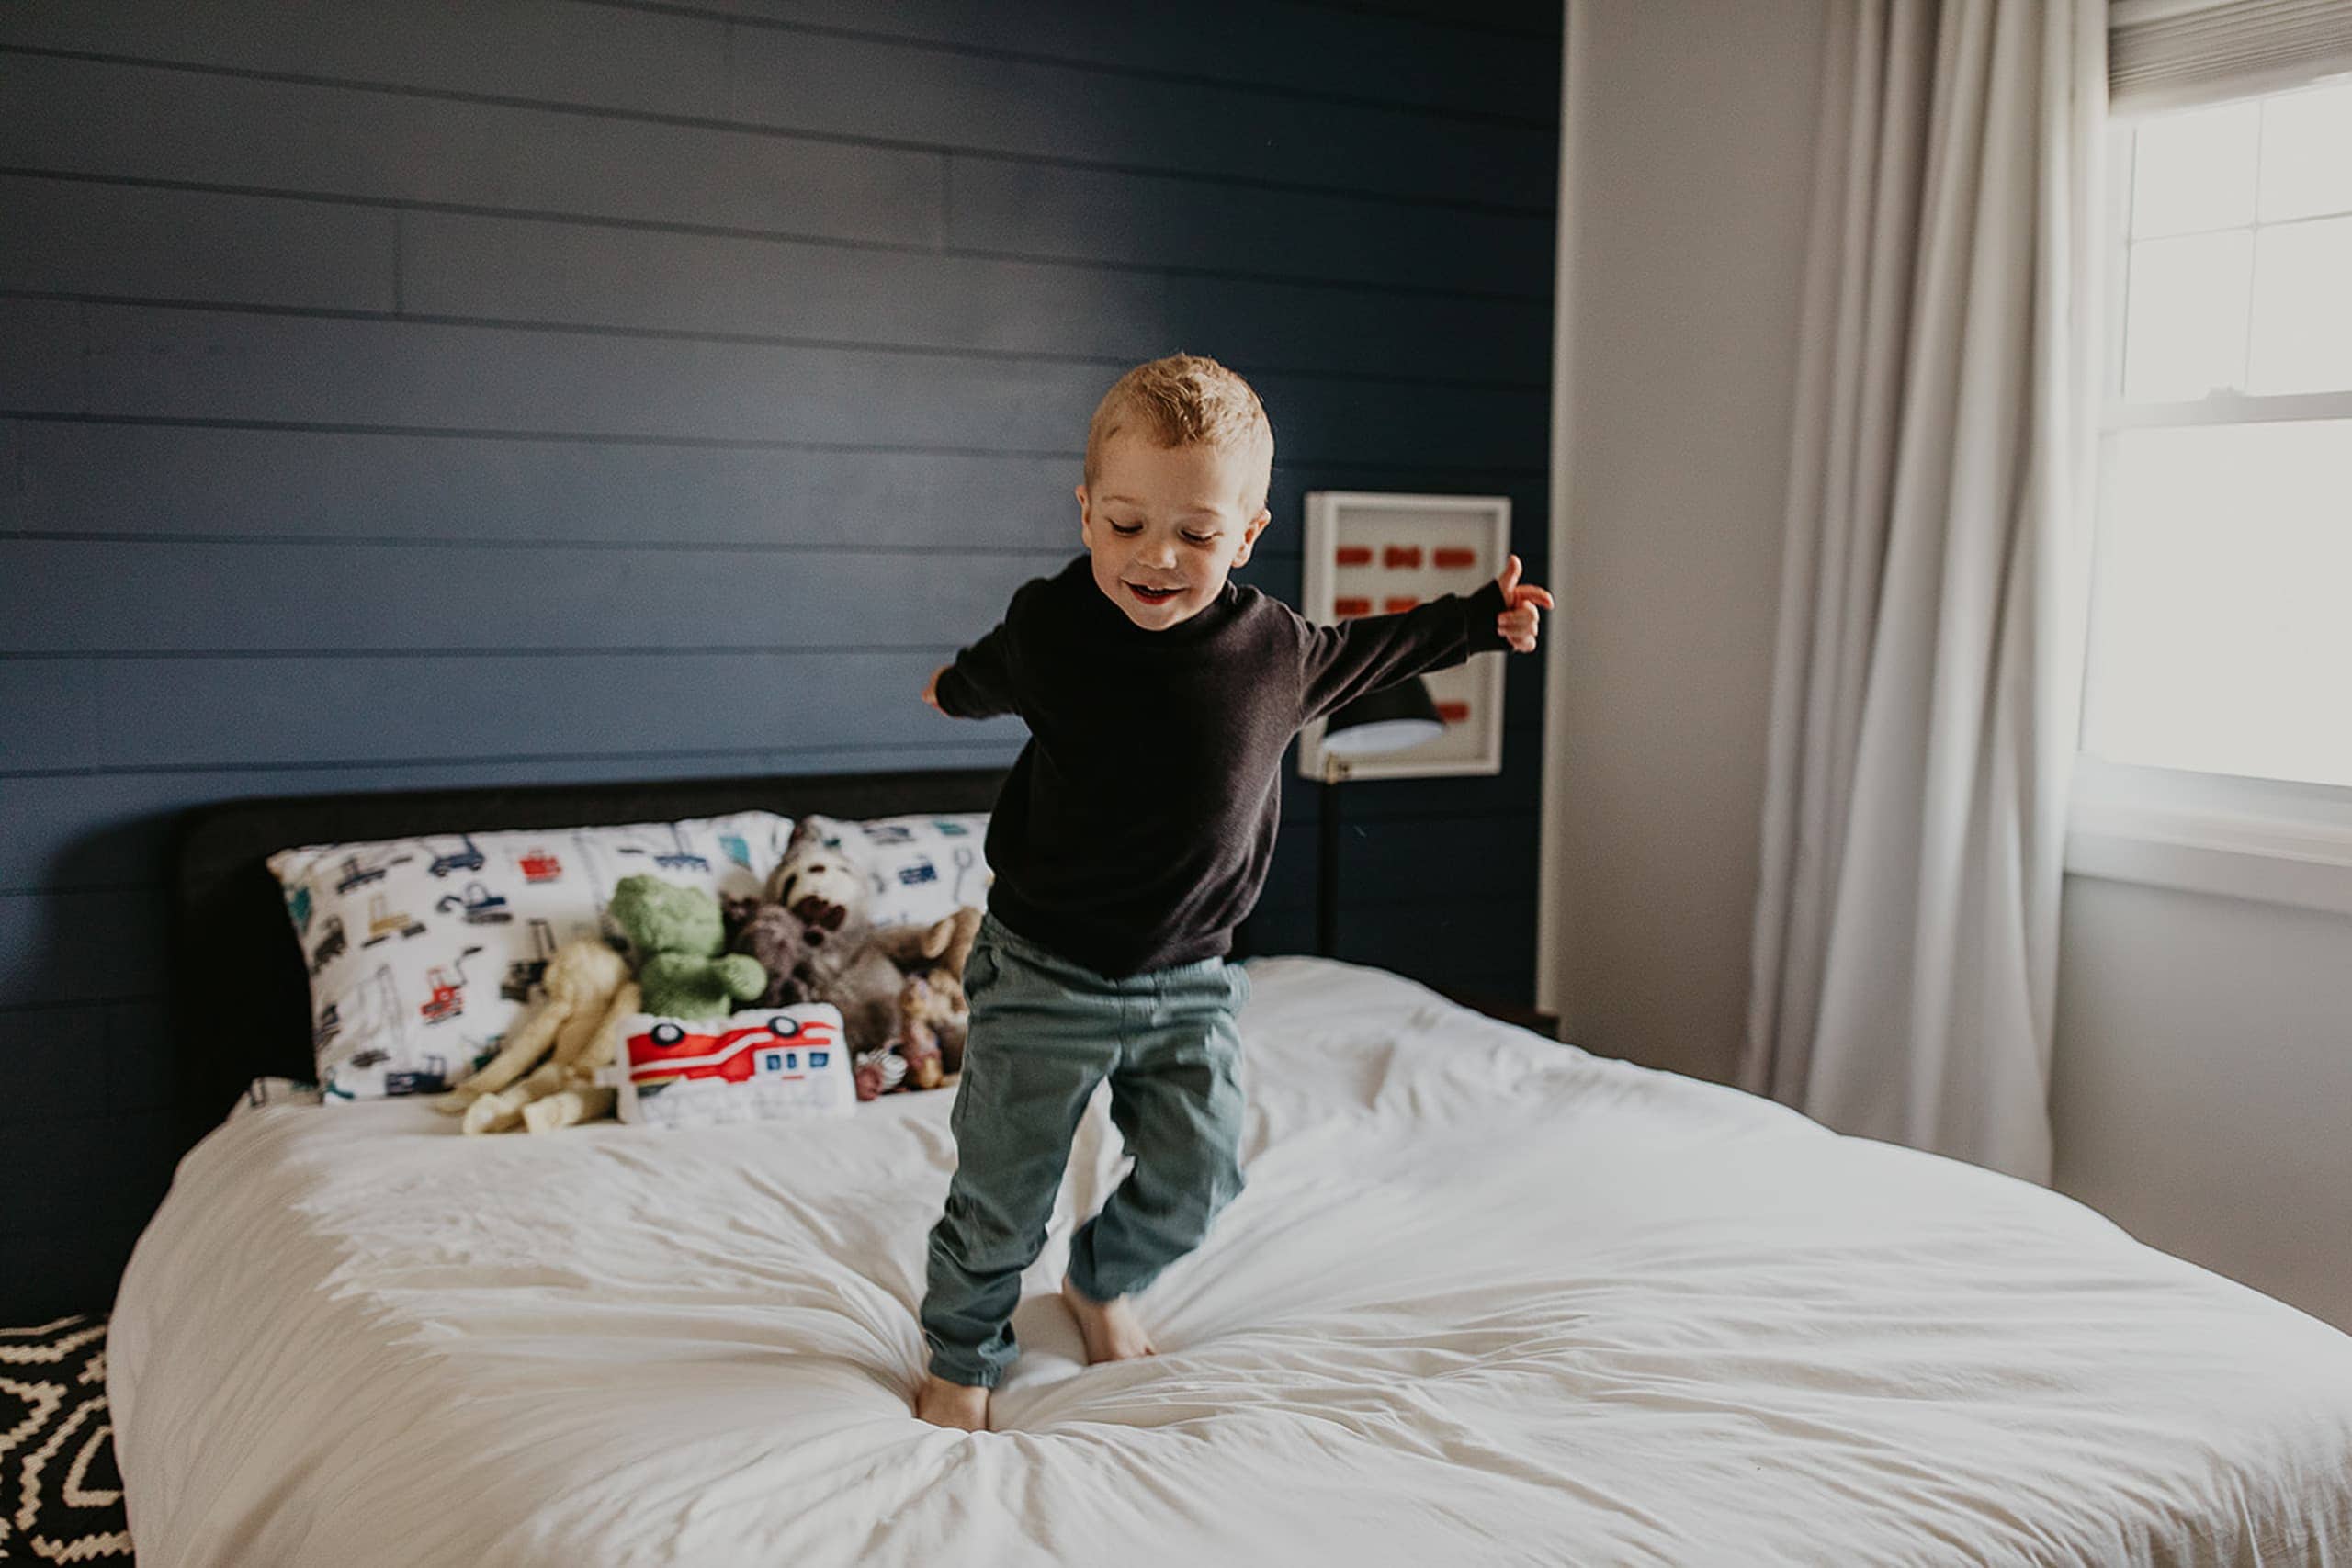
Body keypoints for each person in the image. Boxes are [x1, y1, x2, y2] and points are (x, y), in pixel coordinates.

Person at [912, 353, 1551, 1430]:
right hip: (1041, 970)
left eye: (1196, 535)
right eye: (1125, 526)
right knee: (1003, 1191)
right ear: (1085, 513)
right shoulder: (1054, 626)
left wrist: (1480, 619)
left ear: (1247, 535)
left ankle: (1102, 1279)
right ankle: (963, 1353)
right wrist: (951, 689)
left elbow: (1381, 645)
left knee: (1201, 1172)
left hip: (1190, 980)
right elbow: (990, 669)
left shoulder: (1278, 655)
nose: (1156, 558)